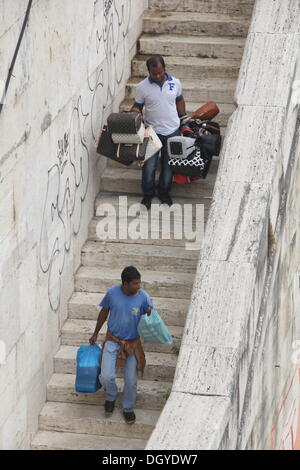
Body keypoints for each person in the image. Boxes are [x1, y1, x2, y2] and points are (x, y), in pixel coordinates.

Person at [89, 266, 153, 424]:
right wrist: (96, 332)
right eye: (135, 284)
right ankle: (111, 396)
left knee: (131, 380)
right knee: (106, 376)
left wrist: (150, 313)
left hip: (132, 344)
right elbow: (104, 313)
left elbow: (150, 316)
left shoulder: (143, 296)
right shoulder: (112, 293)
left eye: (139, 283)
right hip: (113, 340)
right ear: (125, 284)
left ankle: (128, 408)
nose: (138, 286)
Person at [131, 55, 186, 210]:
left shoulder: (175, 83)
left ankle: (164, 193)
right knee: (149, 166)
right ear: (149, 71)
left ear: (164, 69)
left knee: (168, 166)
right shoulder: (142, 87)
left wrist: (183, 117)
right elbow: (137, 106)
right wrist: (134, 113)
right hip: (151, 133)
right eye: (154, 73)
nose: (158, 76)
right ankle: (148, 195)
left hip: (172, 131)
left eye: (161, 72)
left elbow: (179, 99)